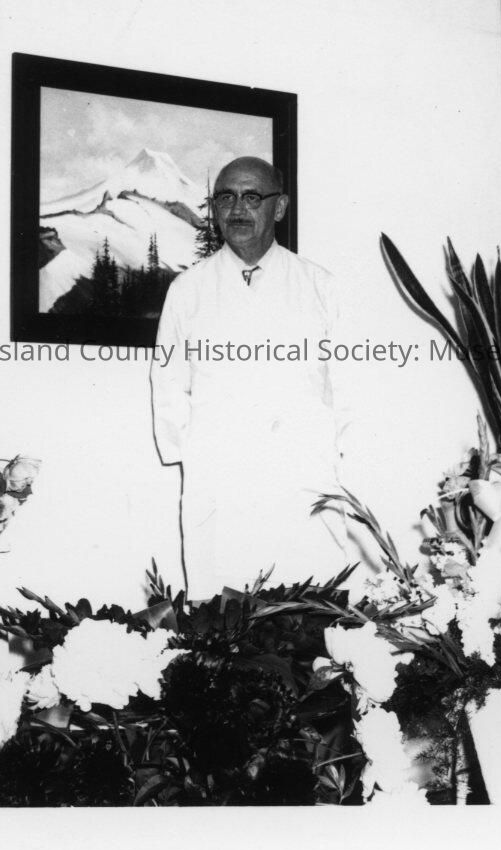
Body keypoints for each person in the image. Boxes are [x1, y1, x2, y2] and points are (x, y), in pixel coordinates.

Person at [150, 156, 352, 595]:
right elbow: (168, 382)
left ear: (279, 207)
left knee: (311, 610)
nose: (237, 209)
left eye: (252, 197)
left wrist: (340, 458)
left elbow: (349, 388)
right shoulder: (188, 290)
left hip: (302, 474)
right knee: (222, 616)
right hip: (222, 477)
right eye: (226, 198)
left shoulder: (320, 287)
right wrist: (195, 452)